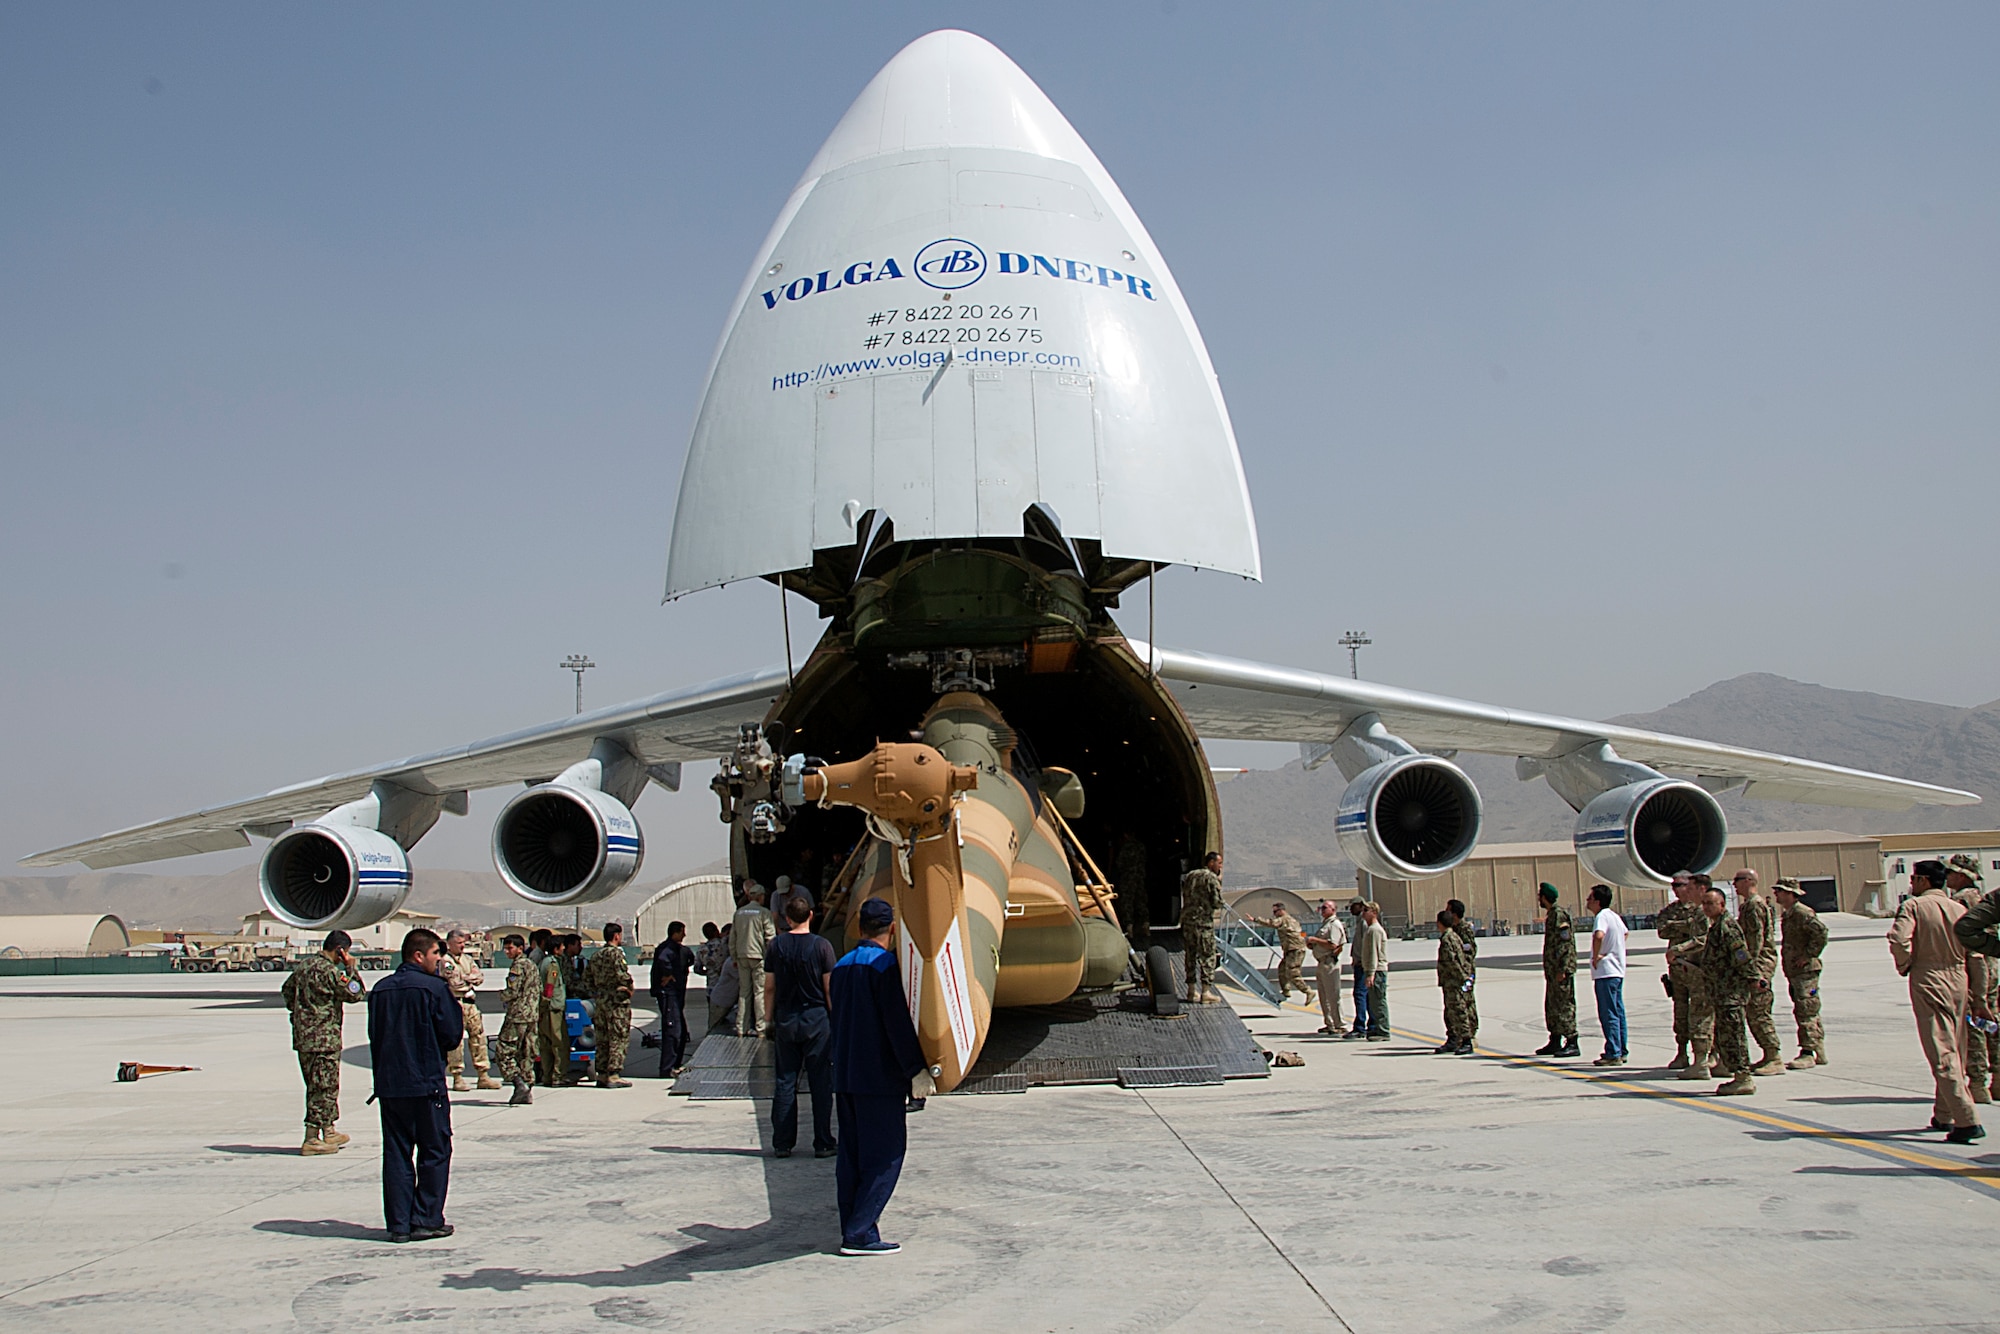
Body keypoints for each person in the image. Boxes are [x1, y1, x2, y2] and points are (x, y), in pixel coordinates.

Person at [829, 897, 932, 1256]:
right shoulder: (886, 967)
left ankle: (851, 1226)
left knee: (851, 1157)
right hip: (879, 1078)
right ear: (892, 928)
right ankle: (860, 1233)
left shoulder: (841, 967)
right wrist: (915, 1070)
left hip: (845, 1075)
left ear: (859, 928)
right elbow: (896, 1024)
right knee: (886, 1155)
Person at [367, 927, 463, 1243]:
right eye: (436, 954)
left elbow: (375, 1036)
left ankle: (398, 1224)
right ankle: (426, 1218)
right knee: (434, 1150)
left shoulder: (380, 990)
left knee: (396, 1152)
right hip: (426, 1085)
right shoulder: (434, 989)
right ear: (419, 955)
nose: (440, 961)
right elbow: (451, 1036)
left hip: (390, 1086)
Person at [1888, 860, 1983, 1142]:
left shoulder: (1914, 906)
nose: (1911, 884)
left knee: (1940, 1051)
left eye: (1915, 878)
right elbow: (1976, 955)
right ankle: (1945, 1113)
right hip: (1959, 978)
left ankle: (1966, 1119)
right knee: (1957, 1047)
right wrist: (1979, 995)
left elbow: (1898, 939)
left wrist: (1905, 965)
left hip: (1929, 976)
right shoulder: (1959, 908)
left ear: (1924, 881)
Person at [766, 893, 840, 1159]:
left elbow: (769, 987)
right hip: (817, 1020)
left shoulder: (776, 946)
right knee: (820, 1083)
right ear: (810, 915)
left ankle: (782, 1143)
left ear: (786, 919)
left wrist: (767, 1020)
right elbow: (829, 988)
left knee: (785, 1082)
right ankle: (823, 1141)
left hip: (787, 1019)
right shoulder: (822, 947)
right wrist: (835, 1018)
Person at [281, 930, 367, 1155]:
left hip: (304, 1038)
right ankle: (311, 1138)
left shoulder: (303, 967)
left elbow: (287, 991)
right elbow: (355, 993)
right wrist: (351, 968)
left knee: (317, 1085)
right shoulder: (330, 971)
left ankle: (328, 1129)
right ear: (340, 950)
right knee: (324, 1088)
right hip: (324, 1039)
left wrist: (300, 1014)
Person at [1697, 886, 1759, 1095]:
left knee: (1734, 1035)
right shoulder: (1715, 927)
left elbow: (1741, 956)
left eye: (1710, 903)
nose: (1706, 907)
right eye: (1704, 903)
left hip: (1730, 993)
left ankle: (1743, 1077)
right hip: (1720, 992)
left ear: (1722, 905)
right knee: (1725, 1035)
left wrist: (1753, 978)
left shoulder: (1727, 928)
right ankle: (1735, 1073)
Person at [1945, 854, 1996, 1102]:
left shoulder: (1960, 901)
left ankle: (1977, 1083)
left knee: (1973, 1025)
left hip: (1972, 967)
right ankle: (1997, 1078)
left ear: (1962, 875)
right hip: (1992, 967)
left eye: (1951, 873)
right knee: (1993, 1024)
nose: (1948, 877)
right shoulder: (1983, 898)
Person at [1772, 878, 1829, 1069]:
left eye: (1780, 891)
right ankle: (1818, 1049)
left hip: (1805, 971)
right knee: (1807, 1009)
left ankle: (1808, 1052)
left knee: (1806, 1010)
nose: (1776, 894)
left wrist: (1808, 955)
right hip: (1796, 971)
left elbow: (1821, 933)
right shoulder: (1789, 914)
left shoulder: (1801, 913)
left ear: (1790, 893)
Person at [1733, 869, 1786, 1074]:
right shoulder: (1750, 905)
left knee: (1759, 1012)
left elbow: (1755, 942)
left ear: (1749, 881)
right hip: (1757, 965)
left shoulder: (1754, 906)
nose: (1734, 885)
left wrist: (1749, 968)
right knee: (1754, 1012)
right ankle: (1768, 1055)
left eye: (1737, 880)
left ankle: (1774, 1056)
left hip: (1758, 967)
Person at [1656, 873, 1707, 1071]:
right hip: (1677, 968)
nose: (1676, 889)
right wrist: (1686, 926)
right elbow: (1662, 930)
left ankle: (1705, 1054)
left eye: (1681, 885)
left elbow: (1701, 933)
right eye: (1674, 885)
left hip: (1695, 966)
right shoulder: (1671, 910)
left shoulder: (1701, 908)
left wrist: (1677, 927)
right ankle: (1682, 1051)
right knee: (1680, 1012)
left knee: (1701, 1012)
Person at [439, 931, 499, 1092]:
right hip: (455, 1003)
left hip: (470, 1004)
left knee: (478, 1038)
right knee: (456, 1042)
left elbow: (479, 977)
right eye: (458, 943)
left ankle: (483, 1075)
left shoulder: (467, 959)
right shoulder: (446, 961)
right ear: (450, 943)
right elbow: (455, 982)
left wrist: (466, 977)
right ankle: (457, 1076)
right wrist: (467, 978)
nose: (462, 945)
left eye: (463, 942)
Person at [581, 923, 635, 1088]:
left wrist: (599, 991)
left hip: (601, 1001)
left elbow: (587, 979)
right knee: (618, 1036)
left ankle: (602, 1074)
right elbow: (622, 976)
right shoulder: (616, 955)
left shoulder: (596, 955)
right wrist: (628, 988)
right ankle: (613, 1074)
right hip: (616, 1002)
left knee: (603, 1038)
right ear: (617, 936)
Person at [492, 934, 540, 1105]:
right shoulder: (531, 965)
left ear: (520, 948)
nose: (506, 952)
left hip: (518, 1015)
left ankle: (518, 1082)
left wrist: (502, 995)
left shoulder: (518, 967)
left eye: (510, 948)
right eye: (505, 948)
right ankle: (527, 1088)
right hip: (532, 1015)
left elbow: (512, 992)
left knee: (503, 1051)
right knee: (526, 1052)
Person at [1536, 883, 1579, 1058]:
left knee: (1564, 1006)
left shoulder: (1559, 915)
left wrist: (1563, 969)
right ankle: (1555, 1039)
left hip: (1560, 971)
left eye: (1540, 896)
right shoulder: (1552, 915)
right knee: (1553, 1006)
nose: (1539, 899)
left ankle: (1572, 1041)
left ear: (1545, 897)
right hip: (1553, 972)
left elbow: (1565, 944)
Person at [1587, 885, 1628, 1067]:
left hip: (1606, 972)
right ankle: (1621, 1048)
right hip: (1617, 970)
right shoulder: (1615, 916)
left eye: (1590, 898)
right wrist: (1614, 949)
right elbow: (1625, 933)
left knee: (1608, 1012)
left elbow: (1599, 935)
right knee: (1618, 1011)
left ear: (1597, 901)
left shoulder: (1602, 916)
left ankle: (1613, 1052)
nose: (1587, 901)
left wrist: (1597, 955)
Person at [732, 884, 779, 1037]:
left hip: (742, 956)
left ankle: (741, 1027)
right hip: (758, 956)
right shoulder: (764, 913)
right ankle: (761, 1027)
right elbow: (770, 938)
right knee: (759, 992)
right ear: (760, 897)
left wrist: (734, 957)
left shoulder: (739, 913)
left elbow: (733, 938)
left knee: (744, 992)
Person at [650, 921, 696, 1078]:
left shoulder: (680, 950)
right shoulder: (668, 949)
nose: (684, 935)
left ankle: (675, 1063)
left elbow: (690, 958)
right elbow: (663, 960)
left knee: (680, 1031)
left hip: (676, 994)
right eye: (682, 931)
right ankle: (667, 1067)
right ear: (675, 932)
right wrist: (669, 974)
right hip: (669, 993)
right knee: (672, 1030)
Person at [1178, 853, 1225, 1005]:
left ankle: (1191, 991)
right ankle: (1206, 992)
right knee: (1207, 956)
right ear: (1211, 863)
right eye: (1219, 863)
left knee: (1190, 956)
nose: (1220, 866)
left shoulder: (1191, 875)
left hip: (1188, 922)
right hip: (1203, 924)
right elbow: (1217, 902)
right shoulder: (1210, 878)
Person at [1245, 900, 1311, 1004]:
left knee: (1293, 973)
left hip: (1295, 950)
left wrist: (1255, 919)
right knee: (1282, 970)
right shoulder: (1293, 920)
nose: (1274, 914)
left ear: (1281, 911)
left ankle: (1307, 991)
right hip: (1291, 949)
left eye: (1275, 912)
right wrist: (1304, 939)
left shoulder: (1283, 919)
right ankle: (1286, 991)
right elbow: (1301, 933)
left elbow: (1271, 923)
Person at [1434, 907, 1475, 1054]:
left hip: (1453, 982)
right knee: (1452, 1012)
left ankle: (1466, 1040)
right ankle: (1454, 1039)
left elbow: (1452, 961)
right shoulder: (1454, 936)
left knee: (1458, 1011)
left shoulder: (1447, 939)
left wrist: (1461, 978)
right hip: (1453, 981)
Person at [1305, 900, 1347, 1035]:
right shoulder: (1325, 924)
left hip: (1330, 963)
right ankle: (1329, 1024)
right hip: (1322, 962)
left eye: (1325, 908)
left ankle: (1340, 1024)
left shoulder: (1334, 925)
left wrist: (1315, 941)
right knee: (1324, 996)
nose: (1322, 910)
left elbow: (1333, 944)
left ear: (1333, 910)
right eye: (1321, 908)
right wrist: (1313, 945)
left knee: (1333, 996)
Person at [1353, 902, 1390, 1041]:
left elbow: (1373, 954)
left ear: (1374, 912)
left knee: (1379, 1002)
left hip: (1377, 971)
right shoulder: (1369, 929)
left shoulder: (1374, 930)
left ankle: (1383, 1031)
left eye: (1366, 910)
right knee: (1373, 1001)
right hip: (1372, 969)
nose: (1363, 912)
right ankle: (1377, 1029)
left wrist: (1370, 973)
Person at [538, 929, 570, 1087]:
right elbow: (549, 986)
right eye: (562, 946)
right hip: (553, 1008)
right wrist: (545, 1004)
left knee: (546, 1044)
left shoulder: (544, 961)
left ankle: (547, 1075)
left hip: (546, 1008)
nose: (564, 949)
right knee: (559, 1043)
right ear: (556, 948)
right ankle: (558, 1076)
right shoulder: (552, 964)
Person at [1344, 898, 1371, 1037]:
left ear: (1360, 906)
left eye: (1353, 907)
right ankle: (1369, 1024)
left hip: (1363, 964)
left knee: (1360, 994)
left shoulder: (1364, 923)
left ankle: (1360, 1026)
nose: (1350, 910)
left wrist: (1361, 959)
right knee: (1364, 995)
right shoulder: (1360, 922)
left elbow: (1366, 944)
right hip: (1360, 963)